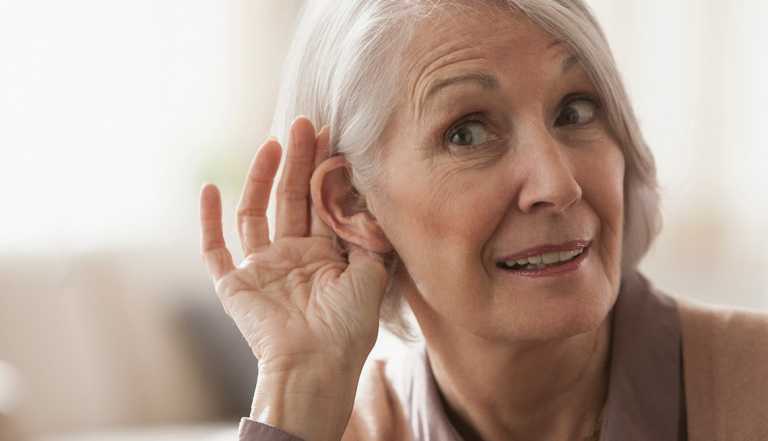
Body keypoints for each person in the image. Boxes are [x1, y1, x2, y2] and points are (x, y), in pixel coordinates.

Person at [198, 1, 768, 440]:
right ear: (353, 204)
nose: (558, 185)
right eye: (467, 132)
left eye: (574, 111)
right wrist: (298, 388)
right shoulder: (324, 428)